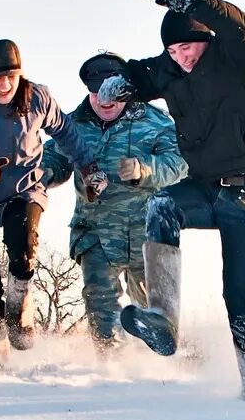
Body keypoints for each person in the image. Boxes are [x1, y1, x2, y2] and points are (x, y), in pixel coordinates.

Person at [97, 0, 245, 399]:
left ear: (205, 39)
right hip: (203, 188)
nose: (182, 58)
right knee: (162, 204)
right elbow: (142, 73)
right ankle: (162, 316)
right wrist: (120, 82)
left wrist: (194, 3)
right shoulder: (170, 69)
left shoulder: (236, 58)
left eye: (188, 49)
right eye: (174, 52)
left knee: (238, 293)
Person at [0, 39, 107, 353]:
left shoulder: (36, 97)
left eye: (11, 76)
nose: (5, 84)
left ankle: (20, 312)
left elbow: (66, 132)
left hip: (24, 187)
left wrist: (88, 167)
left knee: (23, 246)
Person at [41, 52, 187, 352]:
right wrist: (43, 173)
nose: (104, 101)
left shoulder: (156, 121)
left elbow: (180, 163)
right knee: (99, 298)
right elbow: (54, 158)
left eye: (112, 94)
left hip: (146, 232)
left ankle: (160, 370)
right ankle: (109, 365)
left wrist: (144, 169)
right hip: (95, 230)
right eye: (96, 93)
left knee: (151, 308)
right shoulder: (72, 125)